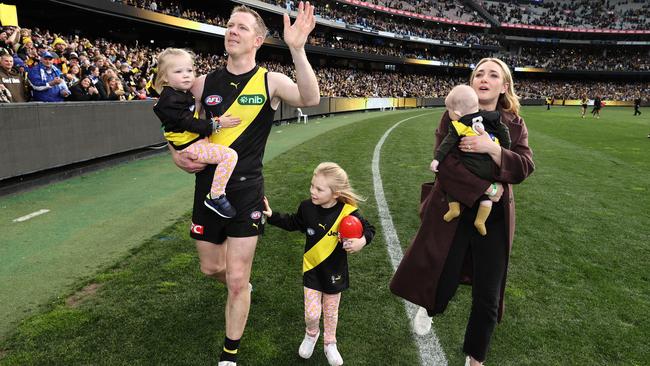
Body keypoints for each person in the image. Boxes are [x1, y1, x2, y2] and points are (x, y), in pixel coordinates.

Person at [169, 3, 320, 365]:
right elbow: (174, 118)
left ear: (257, 39)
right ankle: (243, 288)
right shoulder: (203, 83)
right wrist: (175, 153)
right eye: (229, 25)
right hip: (207, 190)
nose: (231, 31)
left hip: (247, 191)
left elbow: (311, 98)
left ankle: (229, 354)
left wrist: (297, 48)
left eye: (240, 27)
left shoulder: (271, 80)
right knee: (211, 269)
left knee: (236, 279)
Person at [390, 57, 534, 366]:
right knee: (444, 275)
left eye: (493, 75)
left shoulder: (514, 123)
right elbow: (446, 165)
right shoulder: (451, 116)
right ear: (470, 83)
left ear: (504, 86)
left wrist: (492, 149)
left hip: (493, 218)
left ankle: (475, 359)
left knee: (488, 293)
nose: (484, 78)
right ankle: (429, 307)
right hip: (452, 209)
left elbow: (524, 167)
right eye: (479, 73)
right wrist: (488, 189)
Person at [262, 162, 375, 366]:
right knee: (312, 314)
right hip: (312, 270)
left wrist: (361, 242)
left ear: (335, 193)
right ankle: (311, 334)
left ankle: (330, 343)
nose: (312, 191)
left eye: (319, 189)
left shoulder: (348, 212)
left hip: (335, 272)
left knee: (331, 312)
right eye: (312, 185)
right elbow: (293, 222)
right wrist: (272, 216)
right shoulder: (307, 207)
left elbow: (369, 228)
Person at [153, 47, 239, 218]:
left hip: (195, 142)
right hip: (191, 147)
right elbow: (189, 123)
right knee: (230, 156)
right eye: (178, 71)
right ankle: (216, 196)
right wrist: (217, 123)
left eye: (189, 70)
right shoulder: (169, 100)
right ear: (164, 77)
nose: (186, 75)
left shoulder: (179, 92)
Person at [430, 85, 510, 236]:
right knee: (487, 199)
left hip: (469, 166)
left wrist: (437, 159)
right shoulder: (492, 117)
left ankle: (454, 209)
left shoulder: (459, 124)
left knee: (450, 187)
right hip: (489, 169)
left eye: (449, 111)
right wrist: (504, 149)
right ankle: (480, 220)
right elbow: (504, 132)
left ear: (458, 112)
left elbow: (447, 143)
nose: (448, 113)